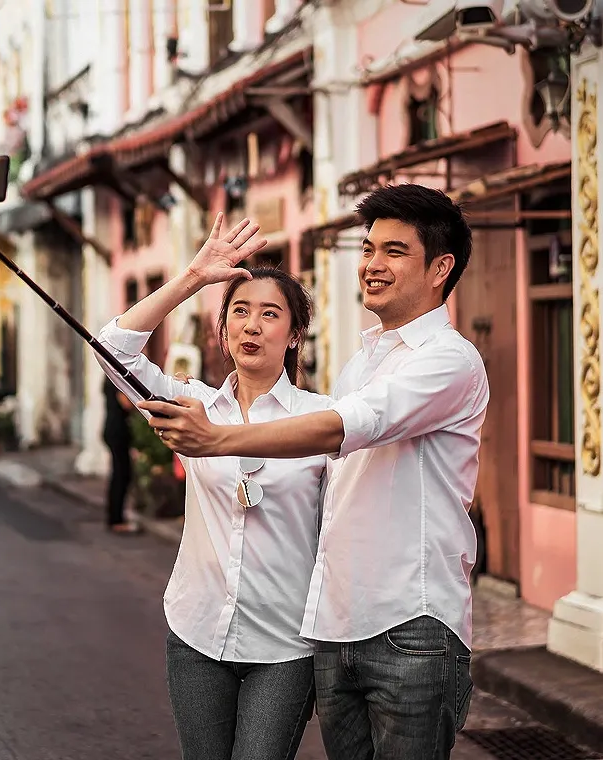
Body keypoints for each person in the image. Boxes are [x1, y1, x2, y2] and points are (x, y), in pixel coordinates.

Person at [140, 185, 489, 760]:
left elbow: (352, 424)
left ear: (440, 268)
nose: (373, 265)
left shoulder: (450, 359)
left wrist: (217, 440)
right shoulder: (362, 363)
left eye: (395, 252)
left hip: (411, 624)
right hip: (336, 628)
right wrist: (194, 279)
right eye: (369, 249)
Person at [96, 214, 328, 760]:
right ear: (223, 332)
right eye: (240, 313)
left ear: (294, 335)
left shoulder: (325, 420)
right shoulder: (194, 406)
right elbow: (113, 350)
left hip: (285, 646)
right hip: (197, 632)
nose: (252, 326)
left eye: (270, 315)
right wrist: (194, 279)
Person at [102, 376, 141, 533]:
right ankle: (116, 519)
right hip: (117, 430)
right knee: (121, 474)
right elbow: (126, 402)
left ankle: (116, 517)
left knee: (119, 473)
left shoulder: (109, 378)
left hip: (113, 429)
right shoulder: (116, 378)